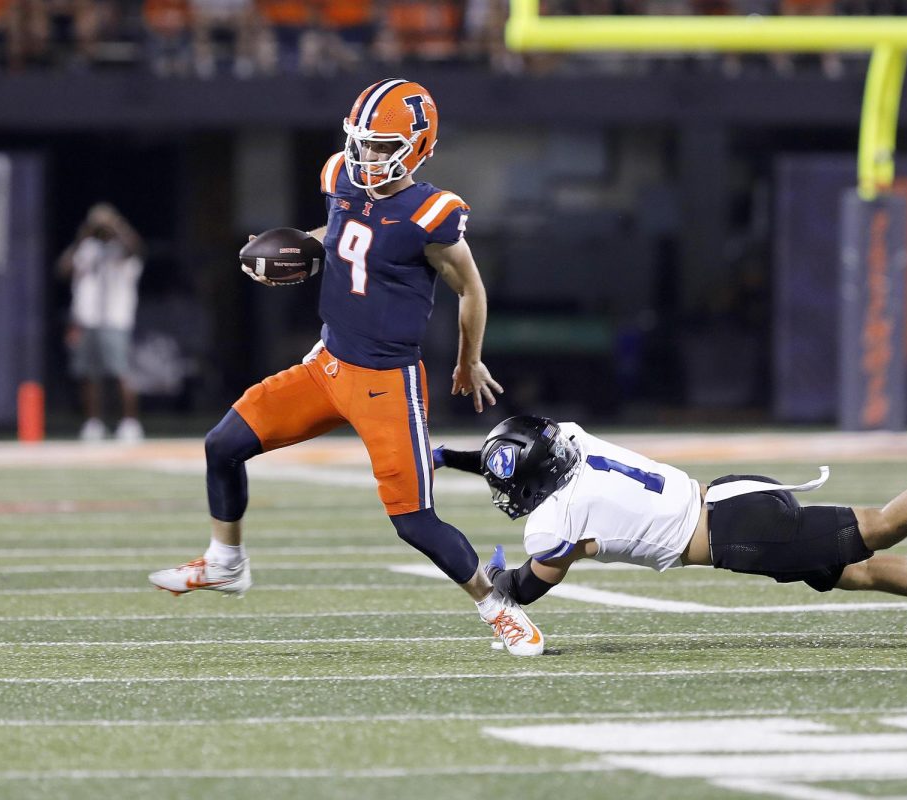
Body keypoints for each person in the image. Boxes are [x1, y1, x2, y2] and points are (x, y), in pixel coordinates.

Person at [148, 78, 544, 657]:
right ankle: (225, 562)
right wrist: (297, 250)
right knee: (222, 443)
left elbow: (472, 290)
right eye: (362, 142)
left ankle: (497, 607)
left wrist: (468, 359)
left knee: (415, 522)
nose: (368, 156)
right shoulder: (340, 177)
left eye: (383, 146)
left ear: (417, 145)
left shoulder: (431, 213)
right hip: (328, 366)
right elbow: (340, 235)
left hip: (387, 383)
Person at [435, 416, 907, 641]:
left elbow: (527, 588)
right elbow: (524, 452)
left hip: (740, 535)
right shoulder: (570, 437)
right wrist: (446, 456)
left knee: (878, 529)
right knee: (853, 572)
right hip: (733, 497)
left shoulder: (555, 518)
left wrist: (481, 578)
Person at [57, 202, 146, 443]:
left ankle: (129, 423)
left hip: (115, 320)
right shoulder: (87, 248)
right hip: (86, 319)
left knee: (121, 374)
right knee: (88, 375)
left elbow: (136, 248)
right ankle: (93, 423)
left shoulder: (122, 249)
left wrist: (116, 225)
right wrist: (83, 235)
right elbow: (63, 270)